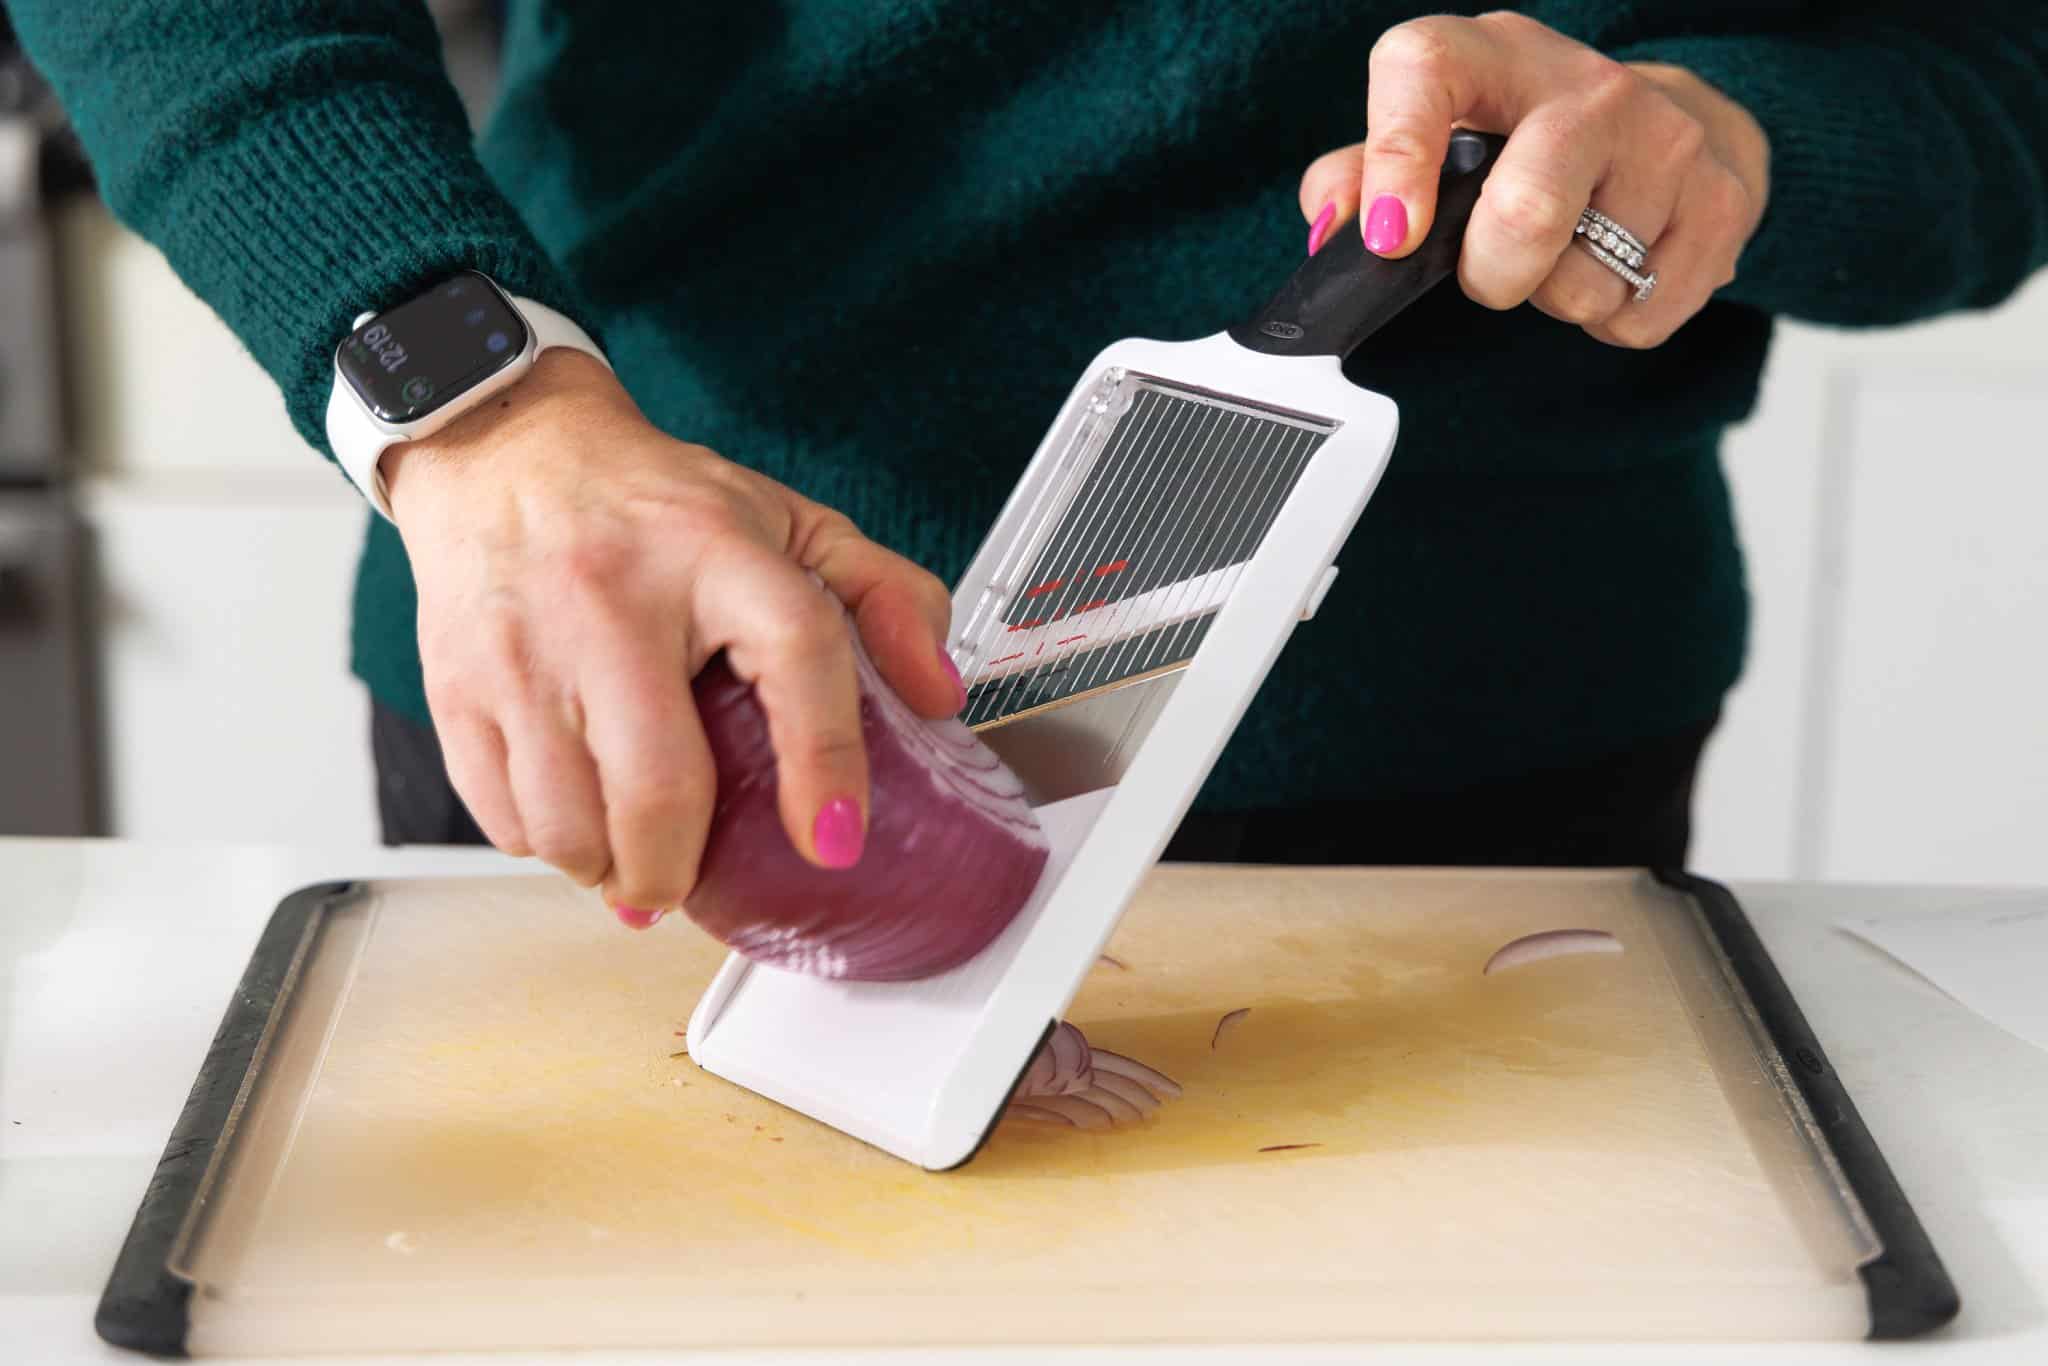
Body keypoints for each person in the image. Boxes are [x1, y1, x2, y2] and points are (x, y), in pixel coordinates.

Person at [13, 4, 2045, 926]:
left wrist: (1729, 142)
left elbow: (1990, 73)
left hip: (1487, 740)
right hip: (654, 659)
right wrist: (477, 402)